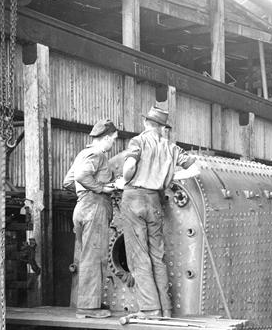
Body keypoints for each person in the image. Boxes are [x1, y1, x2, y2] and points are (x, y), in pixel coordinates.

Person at [121, 106, 198, 317]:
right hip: (154, 201)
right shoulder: (171, 148)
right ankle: (165, 309)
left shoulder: (138, 141)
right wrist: (170, 178)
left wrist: (125, 179)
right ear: (163, 128)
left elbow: (128, 167)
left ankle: (150, 309)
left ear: (146, 123)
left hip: (134, 198)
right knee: (157, 255)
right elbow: (195, 169)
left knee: (139, 256)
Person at [63, 119, 119, 318]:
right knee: (94, 257)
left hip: (82, 207)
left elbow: (68, 181)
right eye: (113, 139)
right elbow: (81, 176)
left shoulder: (82, 154)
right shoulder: (98, 154)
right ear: (106, 138)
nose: (113, 143)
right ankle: (88, 308)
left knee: (88, 256)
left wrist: (84, 192)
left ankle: (91, 301)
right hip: (94, 207)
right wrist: (101, 189)